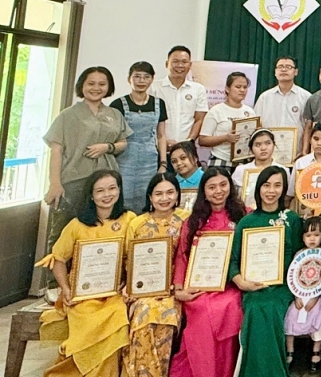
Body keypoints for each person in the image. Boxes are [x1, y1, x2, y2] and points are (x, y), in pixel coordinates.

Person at [39, 169, 134, 377]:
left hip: (115, 293)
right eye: (100, 191)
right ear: (91, 195)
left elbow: (136, 256)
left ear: (119, 190)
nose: (107, 194)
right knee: (88, 319)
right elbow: (58, 258)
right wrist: (66, 289)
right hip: (83, 295)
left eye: (112, 188)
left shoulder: (130, 219)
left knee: (118, 317)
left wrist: (128, 283)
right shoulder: (77, 225)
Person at [228, 166, 303, 377]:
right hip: (252, 285)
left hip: (283, 286)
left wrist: (299, 289)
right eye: (266, 185)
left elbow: (300, 257)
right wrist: (242, 282)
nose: (271, 191)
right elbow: (233, 261)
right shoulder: (246, 221)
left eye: (277, 185)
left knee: (270, 307)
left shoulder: (292, 219)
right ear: (259, 188)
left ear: (284, 189)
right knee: (255, 307)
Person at [170, 168, 246, 377]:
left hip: (231, 285)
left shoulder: (244, 215)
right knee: (202, 310)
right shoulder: (193, 221)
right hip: (199, 286)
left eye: (223, 185)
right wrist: (179, 289)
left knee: (230, 305)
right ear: (203, 191)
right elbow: (182, 257)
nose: (218, 191)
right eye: (212, 187)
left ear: (230, 186)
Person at [44, 66, 130, 245]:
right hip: (75, 181)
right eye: (91, 83)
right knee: (63, 234)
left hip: (106, 182)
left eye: (102, 84)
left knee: (101, 232)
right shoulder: (67, 115)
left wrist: (107, 147)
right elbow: (56, 150)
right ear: (81, 85)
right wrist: (55, 183)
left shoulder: (114, 114)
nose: (96, 88)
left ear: (109, 87)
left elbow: (123, 143)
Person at [124, 172, 188, 377]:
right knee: (144, 316)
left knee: (167, 318)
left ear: (177, 195)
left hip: (174, 289)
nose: (164, 198)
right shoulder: (137, 223)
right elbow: (128, 259)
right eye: (158, 194)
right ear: (150, 197)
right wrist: (128, 285)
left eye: (170, 192)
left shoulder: (186, 219)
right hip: (143, 290)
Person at [111, 61, 169, 212]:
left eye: (146, 77)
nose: (141, 81)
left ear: (152, 79)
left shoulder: (159, 103)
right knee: (122, 198)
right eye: (137, 76)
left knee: (148, 199)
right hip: (124, 160)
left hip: (150, 160)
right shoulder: (118, 104)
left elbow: (161, 136)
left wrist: (163, 164)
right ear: (129, 79)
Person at [284, 215, 321, 372]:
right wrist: (297, 295)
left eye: (316, 235)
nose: (312, 239)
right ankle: (290, 350)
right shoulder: (299, 255)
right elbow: (293, 276)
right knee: (290, 316)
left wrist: (316, 297)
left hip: (317, 296)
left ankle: (316, 350)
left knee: (318, 317)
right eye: (308, 235)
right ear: (303, 237)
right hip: (299, 295)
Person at [150, 46, 208, 147]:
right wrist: (162, 142)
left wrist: (188, 142)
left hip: (187, 148)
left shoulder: (198, 89)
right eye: (175, 61)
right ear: (167, 64)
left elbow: (199, 120)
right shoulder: (153, 88)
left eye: (184, 62)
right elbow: (148, 119)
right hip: (157, 147)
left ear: (190, 65)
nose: (180, 65)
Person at [197, 72, 256, 167]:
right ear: (227, 89)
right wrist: (225, 138)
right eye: (238, 87)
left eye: (245, 87)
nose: (242, 90)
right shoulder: (216, 111)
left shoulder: (250, 111)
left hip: (243, 162)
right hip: (221, 160)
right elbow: (202, 140)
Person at [232, 129, 294, 208]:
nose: (263, 148)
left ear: (274, 145)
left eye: (268, 143)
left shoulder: (283, 170)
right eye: (258, 145)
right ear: (251, 149)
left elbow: (286, 198)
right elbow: (233, 197)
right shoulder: (241, 170)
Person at [254, 56, 311, 130]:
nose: (284, 70)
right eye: (280, 67)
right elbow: (256, 123)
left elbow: (309, 126)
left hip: (296, 138)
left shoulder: (306, 97)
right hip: (270, 137)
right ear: (275, 72)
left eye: (288, 67)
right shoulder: (264, 97)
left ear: (296, 72)